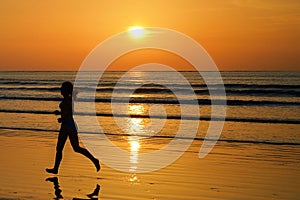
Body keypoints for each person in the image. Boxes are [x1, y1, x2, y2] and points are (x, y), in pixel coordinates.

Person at [46, 81, 100, 174]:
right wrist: (60, 114)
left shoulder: (68, 101)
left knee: (73, 148)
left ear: (65, 91)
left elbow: (69, 114)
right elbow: (67, 113)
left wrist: (61, 119)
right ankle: (56, 168)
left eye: (62, 88)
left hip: (68, 126)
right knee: (66, 148)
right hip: (69, 125)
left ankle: (94, 160)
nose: (60, 90)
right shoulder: (69, 100)